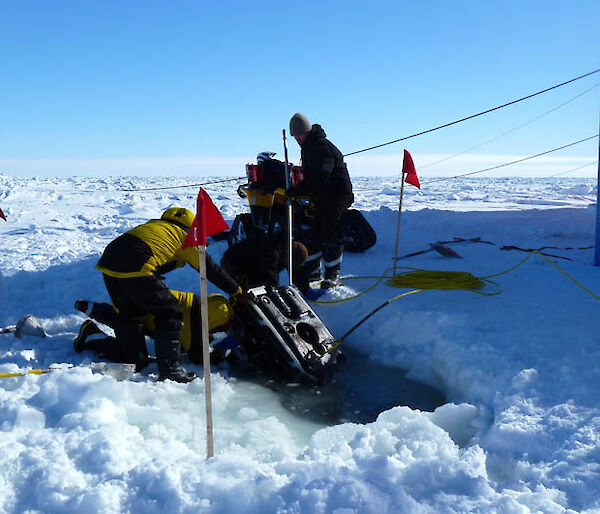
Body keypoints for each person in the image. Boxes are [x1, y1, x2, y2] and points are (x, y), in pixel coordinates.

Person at [77, 206, 241, 383]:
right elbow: (210, 269)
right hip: (137, 265)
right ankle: (169, 370)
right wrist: (237, 291)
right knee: (170, 311)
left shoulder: (155, 227)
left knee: (131, 327)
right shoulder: (185, 237)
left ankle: (91, 335)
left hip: (109, 263)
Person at [73, 291, 237, 366]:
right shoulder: (193, 329)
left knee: (121, 315)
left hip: (136, 297)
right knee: (134, 359)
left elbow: (199, 327)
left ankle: (91, 308)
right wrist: (216, 355)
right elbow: (193, 354)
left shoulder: (218, 303)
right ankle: (91, 334)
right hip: (145, 321)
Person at [286, 113, 354, 291]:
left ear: (307, 132)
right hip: (324, 195)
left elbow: (320, 175)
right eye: (295, 136)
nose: (297, 139)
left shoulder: (319, 146)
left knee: (330, 230)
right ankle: (313, 270)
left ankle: (333, 274)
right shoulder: (309, 146)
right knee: (314, 232)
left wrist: (298, 190)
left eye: (299, 135)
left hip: (338, 194)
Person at [220, 235, 308, 290]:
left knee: (260, 284)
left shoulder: (285, 247)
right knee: (248, 291)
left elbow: (293, 272)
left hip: (253, 264)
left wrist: (304, 288)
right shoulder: (272, 251)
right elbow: (270, 273)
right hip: (232, 263)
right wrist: (275, 292)